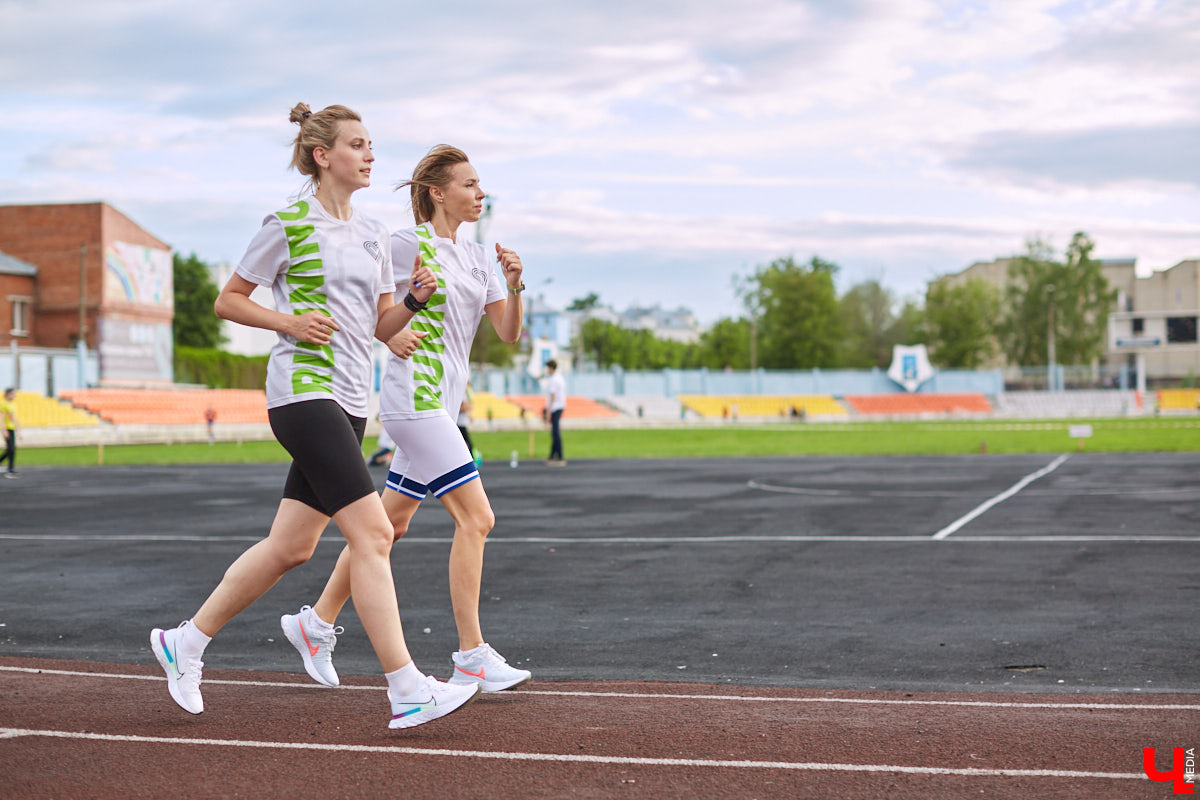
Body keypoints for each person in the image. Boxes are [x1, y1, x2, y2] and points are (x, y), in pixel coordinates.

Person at [150, 104, 479, 730]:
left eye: (372, 145)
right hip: (303, 393)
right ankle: (407, 687)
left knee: (291, 548)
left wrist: (413, 302)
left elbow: (382, 325)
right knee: (376, 533)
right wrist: (287, 322)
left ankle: (184, 642)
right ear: (323, 156)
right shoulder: (288, 222)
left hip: (353, 399)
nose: (370, 155)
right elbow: (229, 300)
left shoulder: (376, 234)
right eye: (358, 145)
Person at [281, 144, 530, 694]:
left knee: (390, 526)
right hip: (411, 399)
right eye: (469, 184)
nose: (479, 194)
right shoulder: (404, 243)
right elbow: (373, 311)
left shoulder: (480, 255)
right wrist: (393, 333)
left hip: (444, 400)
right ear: (438, 193)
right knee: (477, 519)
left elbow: (508, 333)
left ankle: (315, 622)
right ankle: (471, 655)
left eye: (480, 185)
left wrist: (514, 284)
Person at [544, 359, 566, 465]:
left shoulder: (553, 379)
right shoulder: (560, 378)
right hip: (560, 406)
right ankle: (553, 455)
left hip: (555, 407)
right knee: (554, 432)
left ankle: (560, 455)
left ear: (551, 368)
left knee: (555, 433)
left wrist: (548, 411)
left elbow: (552, 396)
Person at [0, 388, 17, 477]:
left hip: (12, 428)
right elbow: (2, 417)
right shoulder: (3, 403)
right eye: (12, 394)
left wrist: (18, 428)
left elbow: (12, 417)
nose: (14, 396)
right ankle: (10, 468)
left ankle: (11, 468)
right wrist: (4, 430)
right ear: (8, 394)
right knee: (10, 449)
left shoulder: (12, 404)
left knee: (12, 449)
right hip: (7, 429)